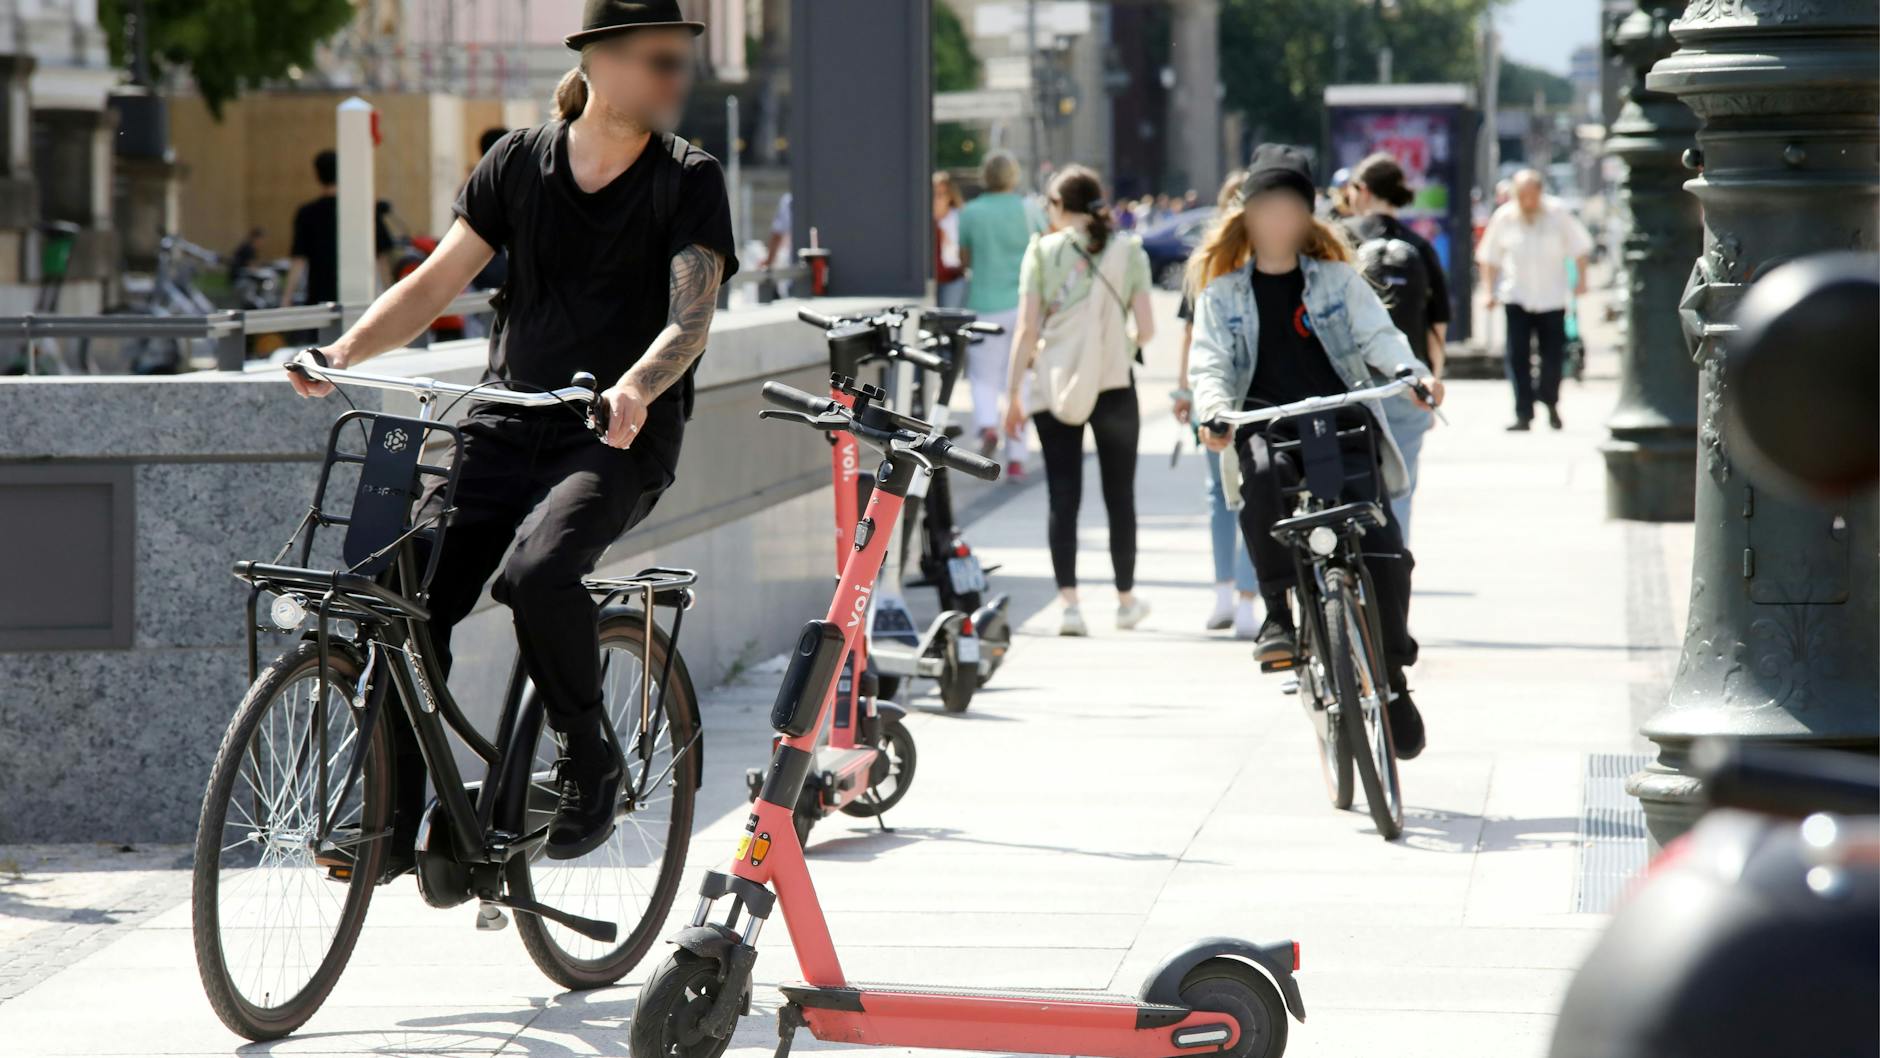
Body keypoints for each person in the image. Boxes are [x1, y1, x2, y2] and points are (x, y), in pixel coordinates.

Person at [286, 0, 736, 859]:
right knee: (404, 593)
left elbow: (692, 319)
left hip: (613, 438)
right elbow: (431, 285)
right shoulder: (519, 165)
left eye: (683, 61)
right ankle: (393, 813)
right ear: (599, 63)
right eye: (660, 61)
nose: (679, 78)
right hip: (505, 422)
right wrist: (339, 349)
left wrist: (634, 389)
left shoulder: (688, 178)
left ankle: (586, 757)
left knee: (537, 574)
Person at [1188, 144, 1443, 760]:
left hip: (1340, 421)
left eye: (1289, 208)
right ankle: (1277, 613)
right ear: (1247, 216)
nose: (1277, 220)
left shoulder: (1335, 280)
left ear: (1307, 216)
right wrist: (1213, 413)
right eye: (1266, 208)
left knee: (1383, 546)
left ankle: (1395, 681)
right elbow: (1210, 365)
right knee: (1260, 477)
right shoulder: (1222, 294)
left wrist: (1414, 374)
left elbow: (1381, 337)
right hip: (1265, 425)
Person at [1001, 165, 1156, 636]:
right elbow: (1147, 328)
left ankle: (1069, 606)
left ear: (1059, 207)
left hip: (1055, 386)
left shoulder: (1042, 252)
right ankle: (1125, 600)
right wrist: (1115, 348)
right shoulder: (1128, 251)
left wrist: (1012, 395)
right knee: (1119, 496)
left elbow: (1027, 330)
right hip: (1114, 384)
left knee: (1062, 496)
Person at [1341, 151, 1450, 543]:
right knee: (1400, 491)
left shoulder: (1341, 237)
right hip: (1404, 384)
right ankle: (1393, 575)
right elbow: (1437, 325)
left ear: (1363, 191)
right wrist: (1430, 385)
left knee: (1342, 489)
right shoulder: (1420, 246)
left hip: (1347, 386)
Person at [1174, 169, 1259, 637]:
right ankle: (1244, 599)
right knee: (1254, 494)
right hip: (1250, 391)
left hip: (1215, 391)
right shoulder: (1267, 256)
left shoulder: (1207, 260)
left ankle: (1226, 593)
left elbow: (1191, 334)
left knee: (1221, 498)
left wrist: (1186, 390)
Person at [1476, 169, 1594, 431]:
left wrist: (1582, 281)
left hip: (1552, 297)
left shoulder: (1557, 213)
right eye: (1522, 195)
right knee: (1517, 355)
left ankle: (1550, 401)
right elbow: (1489, 256)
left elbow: (1580, 246)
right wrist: (1488, 291)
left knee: (1552, 355)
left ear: (1540, 192)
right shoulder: (1505, 217)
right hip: (1516, 295)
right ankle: (1523, 413)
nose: (1527, 201)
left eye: (1532, 194)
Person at [957, 150, 1034, 471]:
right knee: (1019, 380)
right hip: (1024, 304)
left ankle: (988, 424)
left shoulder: (971, 212)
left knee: (982, 376)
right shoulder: (1029, 209)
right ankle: (1017, 457)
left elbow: (964, 259)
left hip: (983, 303)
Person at [282, 149, 395, 307]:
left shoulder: (307, 213)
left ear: (317, 176)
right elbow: (382, 257)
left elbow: (298, 259)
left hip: (320, 297)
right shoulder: (364, 210)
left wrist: (287, 297)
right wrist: (390, 295)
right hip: (361, 296)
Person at [933, 171, 967, 308]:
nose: (936, 199)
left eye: (941, 195)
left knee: (949, 317)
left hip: (953, 279)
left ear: (950, 196)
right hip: (931, 281)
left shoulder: (959, 219)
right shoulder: (924, 220)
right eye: (934, 194)